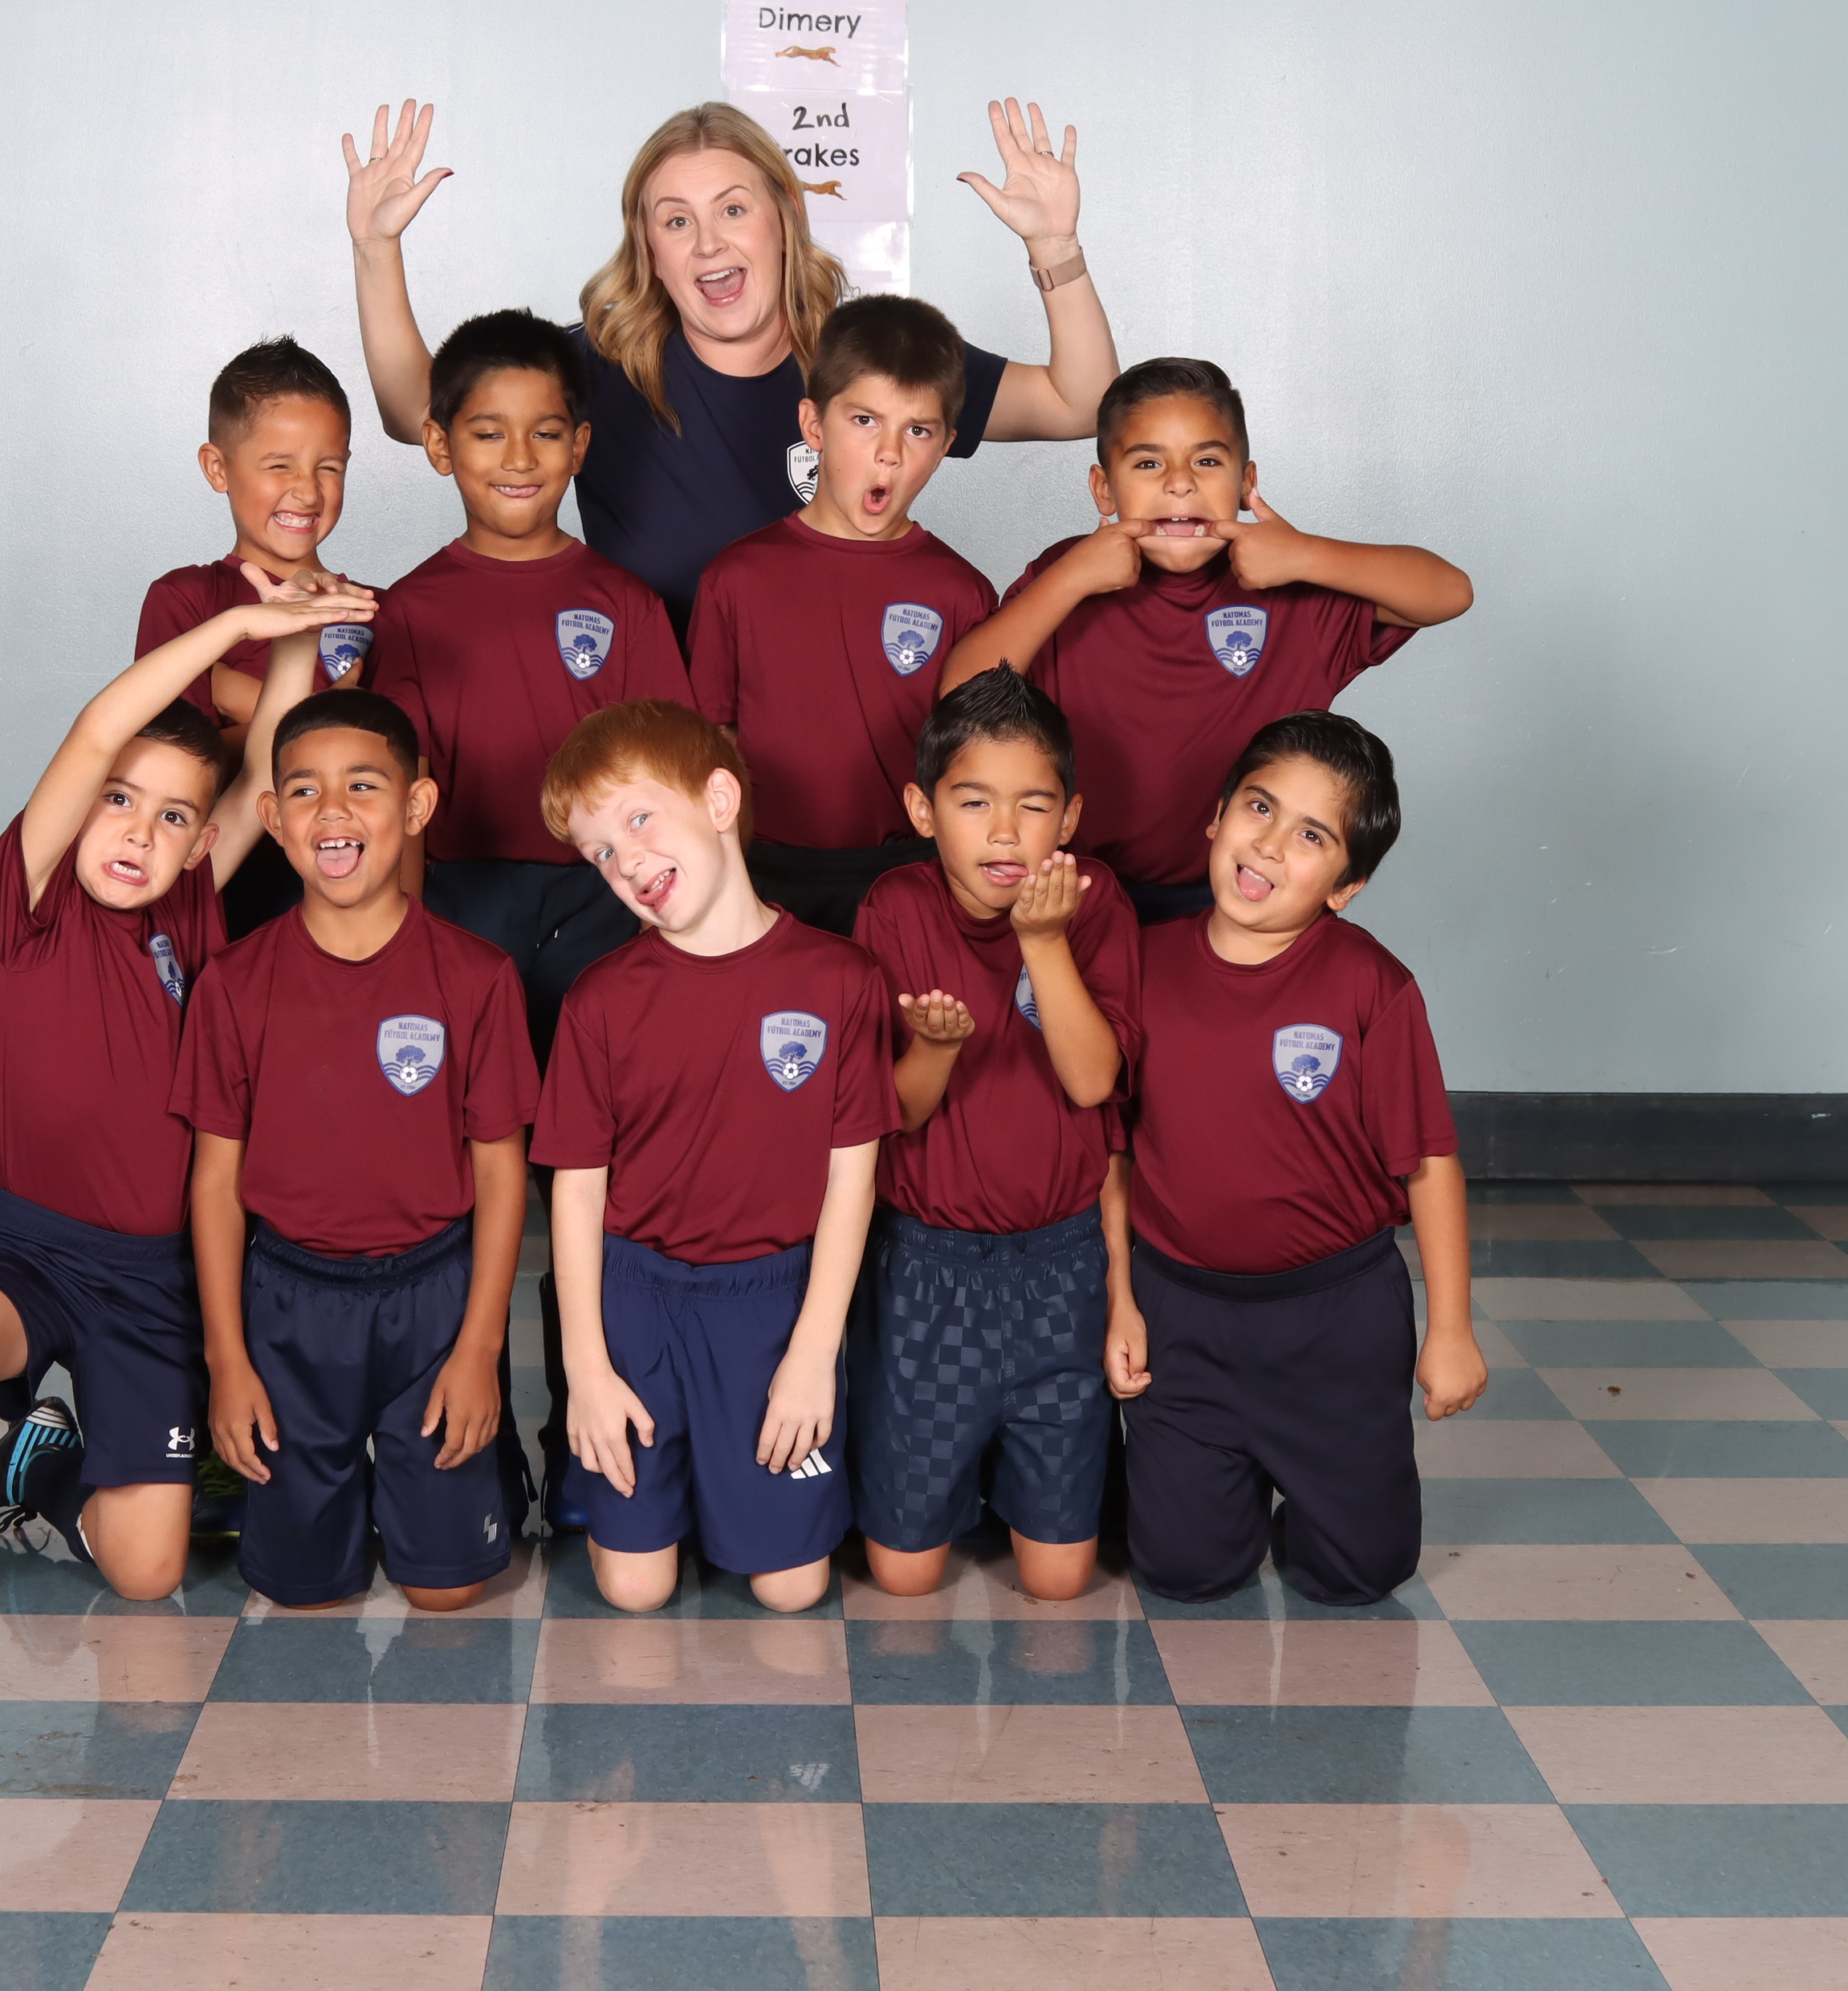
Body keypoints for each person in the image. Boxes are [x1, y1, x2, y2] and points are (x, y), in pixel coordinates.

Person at [0, 576, 371, 1699]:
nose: (140, 831)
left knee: (148, 1571)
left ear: (202, 844)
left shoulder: (190, 907)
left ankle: (41, 1466)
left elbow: (264, 763)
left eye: (174, 817)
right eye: (119, 801)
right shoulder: (30, 905)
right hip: (32, 1253)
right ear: (80, 803)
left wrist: (293, 638)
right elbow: (99, 729)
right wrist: (239, 626)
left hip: (155, 1284)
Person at [342, 96, 1121, 621]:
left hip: (838, 747)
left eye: (733, 209)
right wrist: (376, 248)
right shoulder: (602, 367)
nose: (709, 243)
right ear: (649, 249)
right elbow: (417, 414)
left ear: (784, 216)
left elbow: (1081, 402)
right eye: (676, 221)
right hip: (662, 761)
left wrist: (1056, 247)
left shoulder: (871, 360)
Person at [1109, 711, 1485, 1610]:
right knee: (1185, 1571)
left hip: (1335, 1320)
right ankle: (1223, 1487)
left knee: (1358, 1575)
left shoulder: (1372, 986)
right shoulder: (1140, 965)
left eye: (1312, 836)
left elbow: (1429, 1162)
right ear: (1216, 815)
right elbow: (1111, 1150)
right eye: (1260, 807)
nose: (1270, 844)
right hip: (1182, 1313)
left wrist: (1452, 1329)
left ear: (1347, 887)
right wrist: (1120, 1297)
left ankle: (1316, 1490)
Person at [535, 701, 896, 1614]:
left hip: (772, 1301)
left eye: (638, 819)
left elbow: (852, 1177)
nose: (625, 861)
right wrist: (587, 1369)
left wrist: (812, 1353)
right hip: (639, 1300)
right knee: (635, 1588)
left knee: (791, 1588)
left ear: (721, 800)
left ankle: (728, 1480)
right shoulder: (599, 999)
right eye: (600, 852)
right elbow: (577, 1191)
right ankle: (672, 1492)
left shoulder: (840, 979)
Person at [180, 687, 531, 1613]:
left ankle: (458, 1486)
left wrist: (479, 1346)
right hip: (291, 1300)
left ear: (416, 805)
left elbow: (502, 1172)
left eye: (363, 785)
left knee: (446, 1592)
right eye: (304, 790)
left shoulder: (479, 976)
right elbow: (215, 1183)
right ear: (273, 819)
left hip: (435, 1296)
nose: (332, 809)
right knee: (302, 1591)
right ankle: (342, 1497)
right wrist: (227, 1360)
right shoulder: (233, 983)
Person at [943, 356, 1473, 918]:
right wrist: (1072, 578)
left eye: (1207, 461)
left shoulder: (1296, 586)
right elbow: (961, 697)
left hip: (1241, 899)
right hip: (1080, 892)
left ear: (1246, 483)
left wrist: (1305, 554)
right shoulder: (1066, 575)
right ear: (1104, 489)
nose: (1180, 482)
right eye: (1148, 462)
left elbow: (1450, 592)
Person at [849, 668, 1141, 1603]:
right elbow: (899, 1111)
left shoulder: (1096, 900)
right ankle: (951, 1482)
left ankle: (1010, 1482)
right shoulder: (894, 907)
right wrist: (936, 1049)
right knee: (903, 1576)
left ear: (1072, 816)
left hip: (1062, 1263)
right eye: (974, 802)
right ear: (923, 810)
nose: (1006, 832)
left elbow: (1092, 1081)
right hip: (928, 1266)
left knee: (1059, 1581)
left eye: (1033, 805)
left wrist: (1043, 941)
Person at [365, 307, 688, 1035]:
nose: (519, 458)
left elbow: (669, 778)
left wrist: (660, 921)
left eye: (544, 433)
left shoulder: (627, 603)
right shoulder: (410, 610)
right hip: (464, 898)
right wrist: (407, 935)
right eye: (488, 434)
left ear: (579, 447)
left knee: (599, 1077)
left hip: (607, 891)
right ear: (441, 445)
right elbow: (402, 788)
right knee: (476, 1084)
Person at [685, 293, 999, 934]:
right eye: (864, 420)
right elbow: (712, 739)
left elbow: (976, 761)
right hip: (764, 871)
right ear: (813, 424)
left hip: (910, 871)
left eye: (918, 430)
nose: (890, 453)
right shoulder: (736, 577)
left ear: (946, 445)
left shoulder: (962, 591)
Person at [133, 340, 373, 950]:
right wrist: (324, 719)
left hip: (344, 898)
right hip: (213, 891)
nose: (308, 491)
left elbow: (394, 776)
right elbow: (184, 770)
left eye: (329, 467)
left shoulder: (373, 610)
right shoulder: (185, 600)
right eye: (279, 466)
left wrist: (230, 693)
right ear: (218, 468)